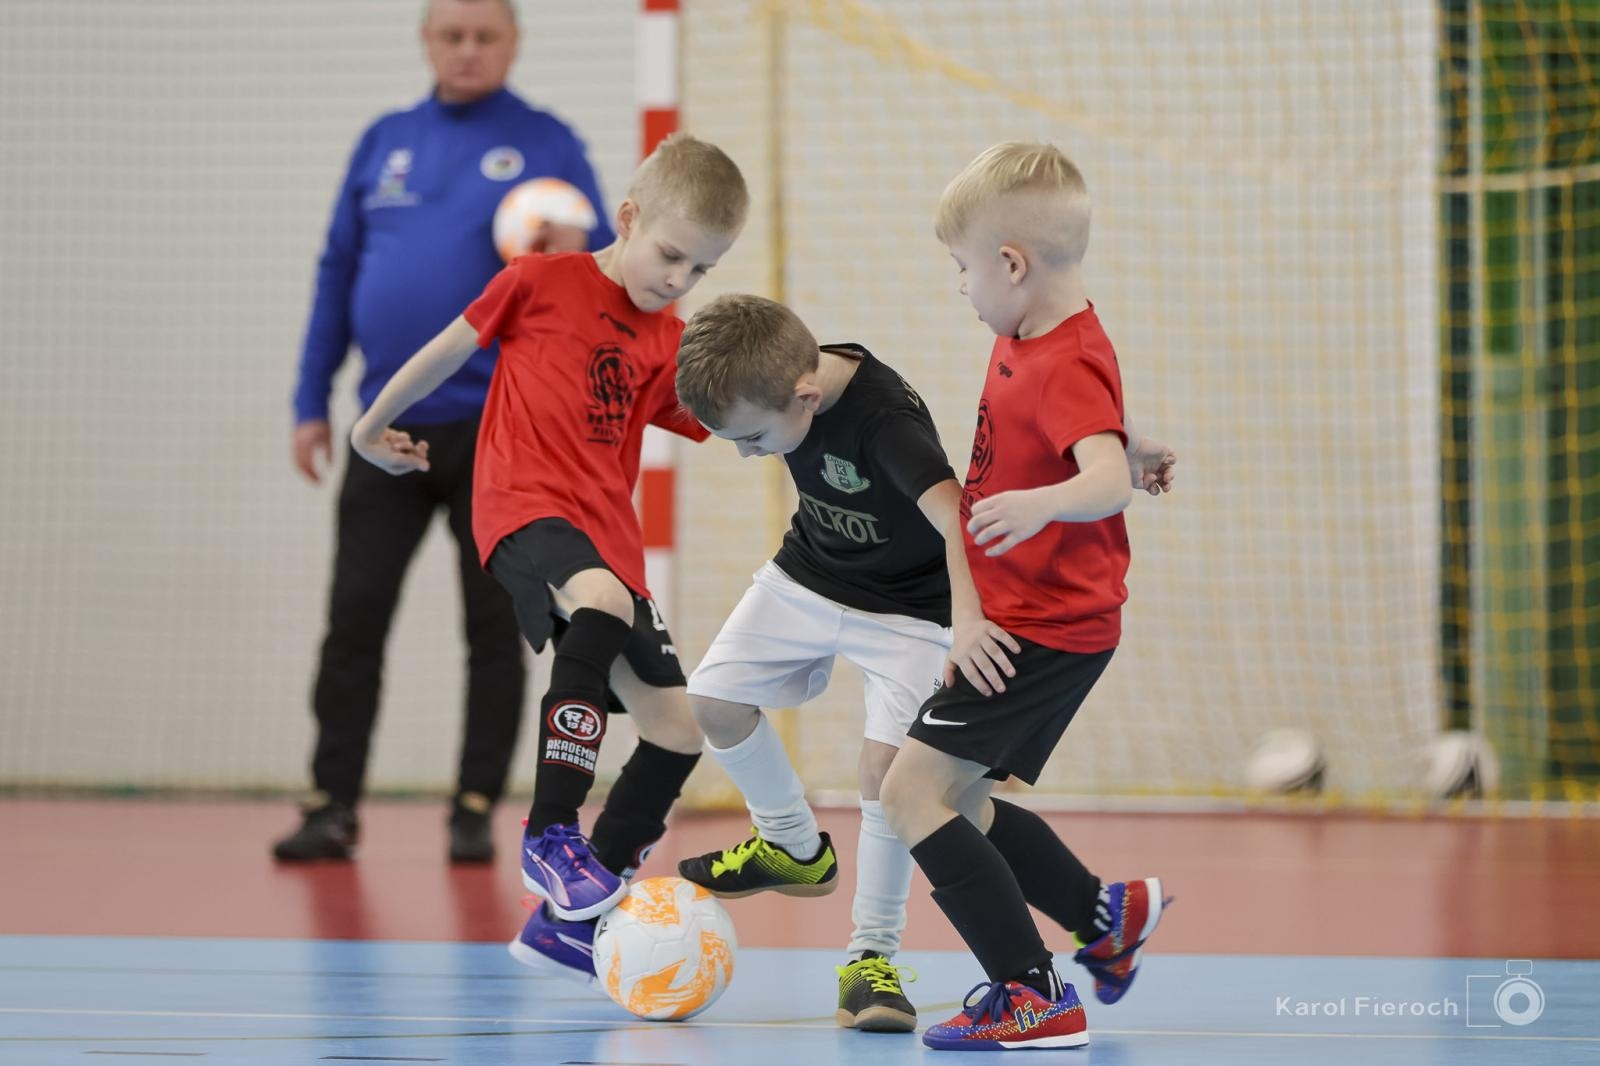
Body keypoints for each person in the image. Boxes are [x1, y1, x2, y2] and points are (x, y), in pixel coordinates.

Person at [668, 293, 1176, 1033]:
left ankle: (872, 956)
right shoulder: (782, 369)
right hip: (810, 572)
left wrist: (966, 620)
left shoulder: (882, 422)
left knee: (897, 783)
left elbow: (956, 516)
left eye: (750, 437)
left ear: (805, 397)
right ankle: (792, 844)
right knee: (713, 701)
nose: (748, 455)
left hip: (915, 607)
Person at [348, 134, 749, 977]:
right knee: (598, 602)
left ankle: (572, 917)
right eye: (671, 255)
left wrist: (798, 414)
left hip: (607, 540)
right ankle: (548, 835)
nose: (679, 280)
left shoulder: (666, 338)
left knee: (679, 731)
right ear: (628, 218)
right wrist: (367, 426)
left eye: (701, 271)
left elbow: (724, 421)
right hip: (522, 510)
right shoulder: (539, 281)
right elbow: (448, 349)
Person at [278, 0, 614, 865]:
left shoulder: (548, 143)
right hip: (383, 429)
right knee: (354, 618)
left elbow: (610, 267)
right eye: (451, 35)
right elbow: (337, 267)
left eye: (485, 36)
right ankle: (331, 803)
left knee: (492, 628)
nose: (467, 50)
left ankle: (473, 808)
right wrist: (311, 399)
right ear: (428, 41)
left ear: (512, 43)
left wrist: (578, 243)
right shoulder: (384, 138)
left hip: (498, 434)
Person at [876, 142, 1171, 1051]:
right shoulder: (1034, 334)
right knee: (954, 799)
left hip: (1045, 626)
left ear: (1011, 263)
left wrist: (1064, 490)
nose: (959, 288)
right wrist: (1127, 445)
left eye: (962, 269)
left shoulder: (1060, 358)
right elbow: (1090, 441)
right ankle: (1101, 914)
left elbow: (1104, 481)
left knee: (910, 794)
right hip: (1033, 621)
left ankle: (1031, 995)